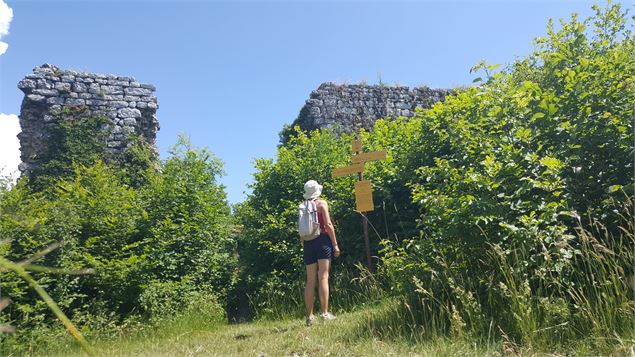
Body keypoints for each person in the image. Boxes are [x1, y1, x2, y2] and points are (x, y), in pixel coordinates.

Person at [301, 180, 340, 326]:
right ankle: (324, 313)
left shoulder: (303, 206)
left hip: (308, 243)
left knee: (310, 281)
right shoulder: (322, 204)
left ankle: (310, 317)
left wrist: (304, 244)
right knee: (323, 277)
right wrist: (335, 245)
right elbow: (328, 225)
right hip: (322, 240)